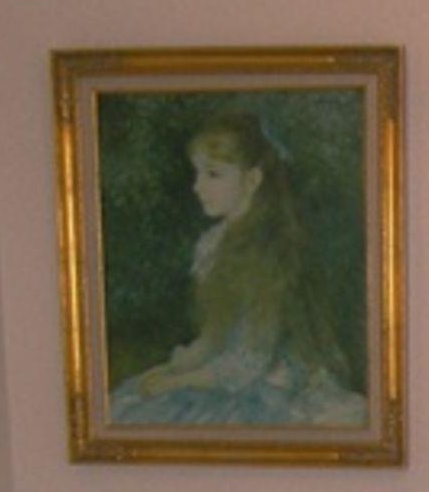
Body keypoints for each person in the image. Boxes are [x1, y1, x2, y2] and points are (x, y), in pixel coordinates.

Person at [108, 112, 368, 428]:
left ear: (252, 180)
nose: (197, 187)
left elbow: (249, 363)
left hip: (271, 390)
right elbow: (215, 337)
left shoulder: (269, 253)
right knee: (129, 402)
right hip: (223, 374)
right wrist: (172, 369)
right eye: (197, 173)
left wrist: (177, 381)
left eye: (213, 174)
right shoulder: (214, 244)